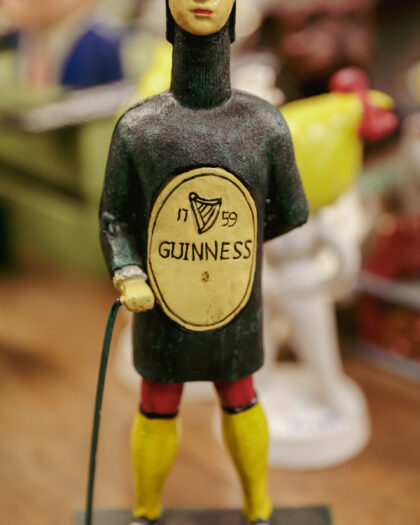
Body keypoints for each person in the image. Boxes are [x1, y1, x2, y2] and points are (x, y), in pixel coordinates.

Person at [99, 1, 309, 523]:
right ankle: (146, 508)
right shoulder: (139, 129)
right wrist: (128, 271)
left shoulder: (265, 126)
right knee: (157, 399)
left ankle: (258, 505)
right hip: (160, 309)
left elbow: (292, 210)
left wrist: (233, 252)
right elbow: (114, 218)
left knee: (241, 394)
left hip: (234, 308)